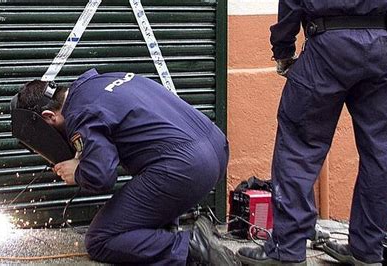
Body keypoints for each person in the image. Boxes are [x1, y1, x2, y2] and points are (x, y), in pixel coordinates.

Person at [237, 1, 387, 265]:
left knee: (298, 147)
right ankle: (368, 250)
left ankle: (287, 249)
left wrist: (283, 50)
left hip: (328, 47)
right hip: (380, 45)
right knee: (378, 153)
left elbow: (291, 4)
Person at [14, 68, 237, 265]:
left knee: (100, 240)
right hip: (217, 147)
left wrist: (78, 172)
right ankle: (174, 236)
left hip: (187, 167)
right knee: (149, 176)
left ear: (49, 116)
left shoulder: (78, 113)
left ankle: (191, 246)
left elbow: (102, 176)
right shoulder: (99, 84)